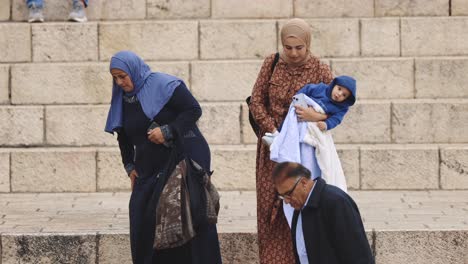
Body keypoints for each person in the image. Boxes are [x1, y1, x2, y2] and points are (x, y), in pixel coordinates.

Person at [105, 51, 222, 264]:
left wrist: (169, 131)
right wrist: (129, 165)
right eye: (115, 77)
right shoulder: (123, 98)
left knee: (187, 218)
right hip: (148, 167)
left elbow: (193, 110)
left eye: (122, 76)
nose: (119, 82)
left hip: (181, 161)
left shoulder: (164, 85)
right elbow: (122, 135)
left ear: (134, 71)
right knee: (142, 221)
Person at [249, 18, 333, 263]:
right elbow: (256, 101)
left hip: (304, 152)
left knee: (301, 203)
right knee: (271, 209)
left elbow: (337, 106)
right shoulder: (271, 63)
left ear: (308, 44)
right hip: (273, 151)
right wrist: (274, 132)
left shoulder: (319, 68)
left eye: (299, 48)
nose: (294, 53)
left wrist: (313, 116)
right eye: (289, 47)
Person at [272, 162, 375, 264]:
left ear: (303, 183)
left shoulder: (336, 202)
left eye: (288, 194)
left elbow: (358, 255)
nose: (286, 201)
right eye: (282, 196)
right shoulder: (299, 210)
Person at [263, 75, 357, 145]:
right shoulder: (321, 88)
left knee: (306, 135)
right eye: (339, 89)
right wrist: (300, 104)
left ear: (346, 99)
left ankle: (292, 142)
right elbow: (306, 90)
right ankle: (278, 137)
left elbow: (336, 119)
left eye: (344, 95)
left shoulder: (340, 108)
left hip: (313, 125)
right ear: (333, 85)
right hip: (301, 108)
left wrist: (326, 124)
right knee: (290, 119)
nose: (339, 94)